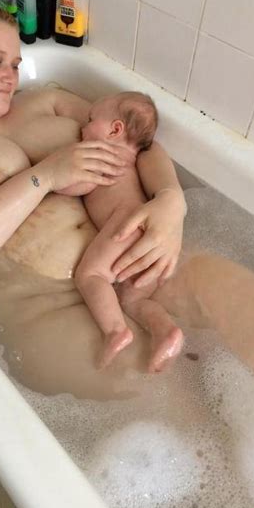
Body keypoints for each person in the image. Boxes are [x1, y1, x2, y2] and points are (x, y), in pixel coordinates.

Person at [0, 0, 254, 400]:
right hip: (48, 303)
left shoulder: (46, 101)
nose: (10, 76)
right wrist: (46, 175)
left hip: (146, 259)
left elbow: (136, 140)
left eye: (15, 64)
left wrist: (169, 200)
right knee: (173, 404)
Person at [59, 92, 184, 372]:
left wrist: (56, 182)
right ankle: (166, 331)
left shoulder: (103, 154)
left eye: (91, 120)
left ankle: (115, 331)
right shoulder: (135, 161)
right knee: (134, 298)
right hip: (151, 235)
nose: (83, 126)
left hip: (123, 223)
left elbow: (78, 184)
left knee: (91, 275)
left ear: (115, 130)